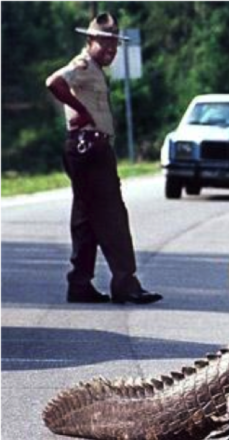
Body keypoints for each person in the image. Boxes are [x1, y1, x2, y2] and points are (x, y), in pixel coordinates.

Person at [45, 12, 162, 305]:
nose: (110, 51)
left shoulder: (95, 68)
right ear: (90, 41)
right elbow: (54, 82)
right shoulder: (83, 65)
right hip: (89, 148)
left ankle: (79, 284)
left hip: (88, 148)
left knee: (86, 220)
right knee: (112, 216)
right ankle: (126, 283)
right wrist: (80, 110)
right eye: (105, 44)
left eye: (114, 46)